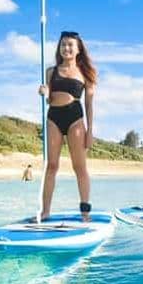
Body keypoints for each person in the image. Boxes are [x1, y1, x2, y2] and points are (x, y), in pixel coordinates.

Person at [38, 31, 97, 222]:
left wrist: (90, 131)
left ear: (78, 49)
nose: (66, 48)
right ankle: (45, 211)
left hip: (75, 119)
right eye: (63, 44)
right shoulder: (50, 72)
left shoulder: (85, 74)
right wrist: (45, 92)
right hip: (54, 117)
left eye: (70, 45)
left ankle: (85, 212)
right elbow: (49, 99)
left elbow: (89, 104)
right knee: (51, 165)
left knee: (79, 166)